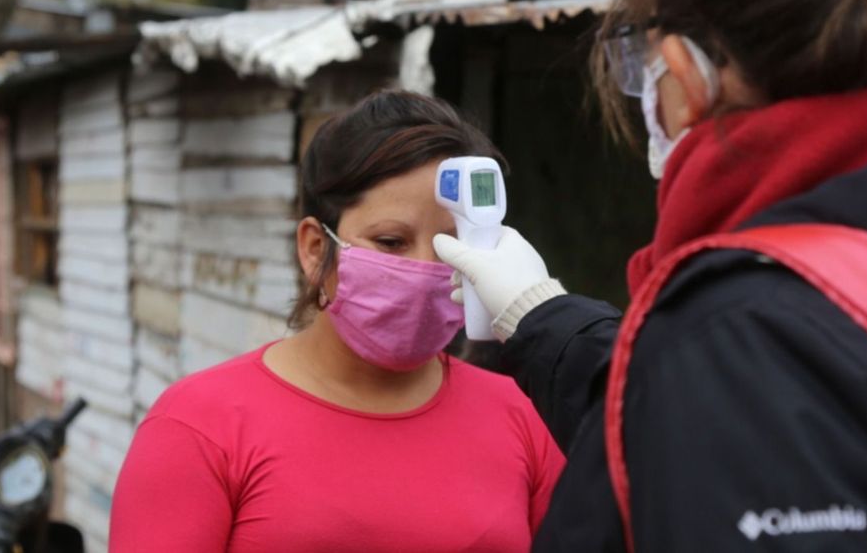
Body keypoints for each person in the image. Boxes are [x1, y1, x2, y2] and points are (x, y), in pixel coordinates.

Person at [433, 0, 867, 550]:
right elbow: (690, 423)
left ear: (687, 71)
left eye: (642, 71)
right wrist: (542, 315)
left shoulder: (739, 323)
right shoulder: (818, 272)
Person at [109, 91, 565, 552]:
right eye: (391, 241)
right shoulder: (200, 427)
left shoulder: (525, 415)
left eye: (453, 245)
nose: (427, 268)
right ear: (314, 249)